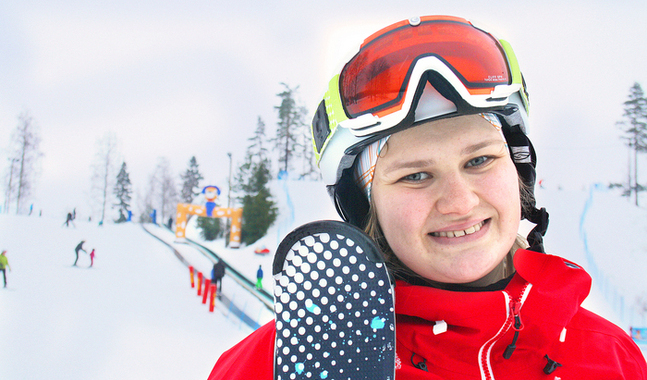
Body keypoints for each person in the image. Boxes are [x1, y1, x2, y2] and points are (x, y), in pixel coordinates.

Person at [208, 16, 647, 379]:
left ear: (518, 170)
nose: (458, 202)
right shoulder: (278, 365)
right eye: (416, 175)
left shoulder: (609, 359)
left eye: (479, 161)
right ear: (367, 207)